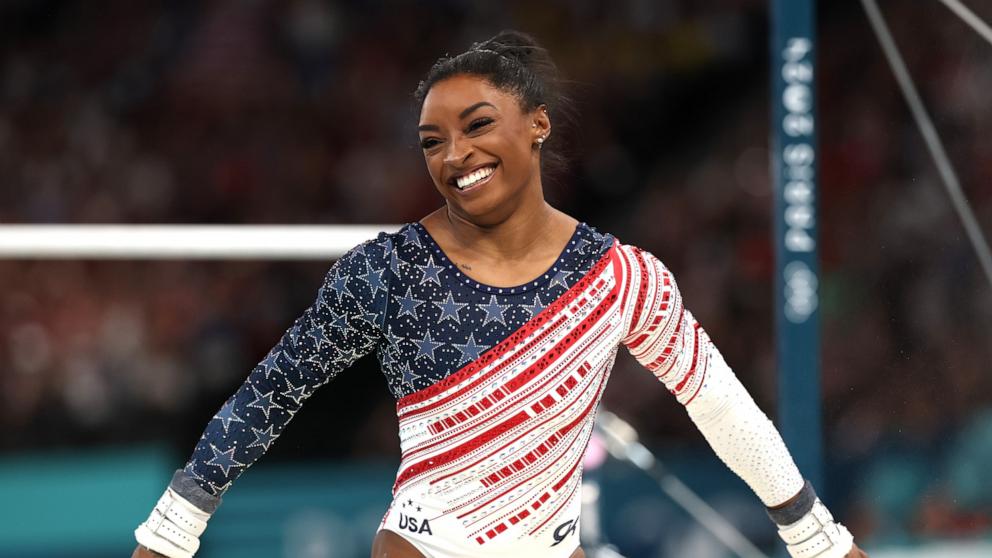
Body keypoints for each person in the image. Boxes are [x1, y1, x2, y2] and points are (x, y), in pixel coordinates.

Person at [132, 30, 866, 558]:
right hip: (428, 544)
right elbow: (271, 392)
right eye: (431, 140)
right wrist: (172, 529)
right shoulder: (387, 270)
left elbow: (717, 403)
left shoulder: (621, 277)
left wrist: (815, 536)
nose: (454, 155)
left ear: (538, 125)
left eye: (477, 125)